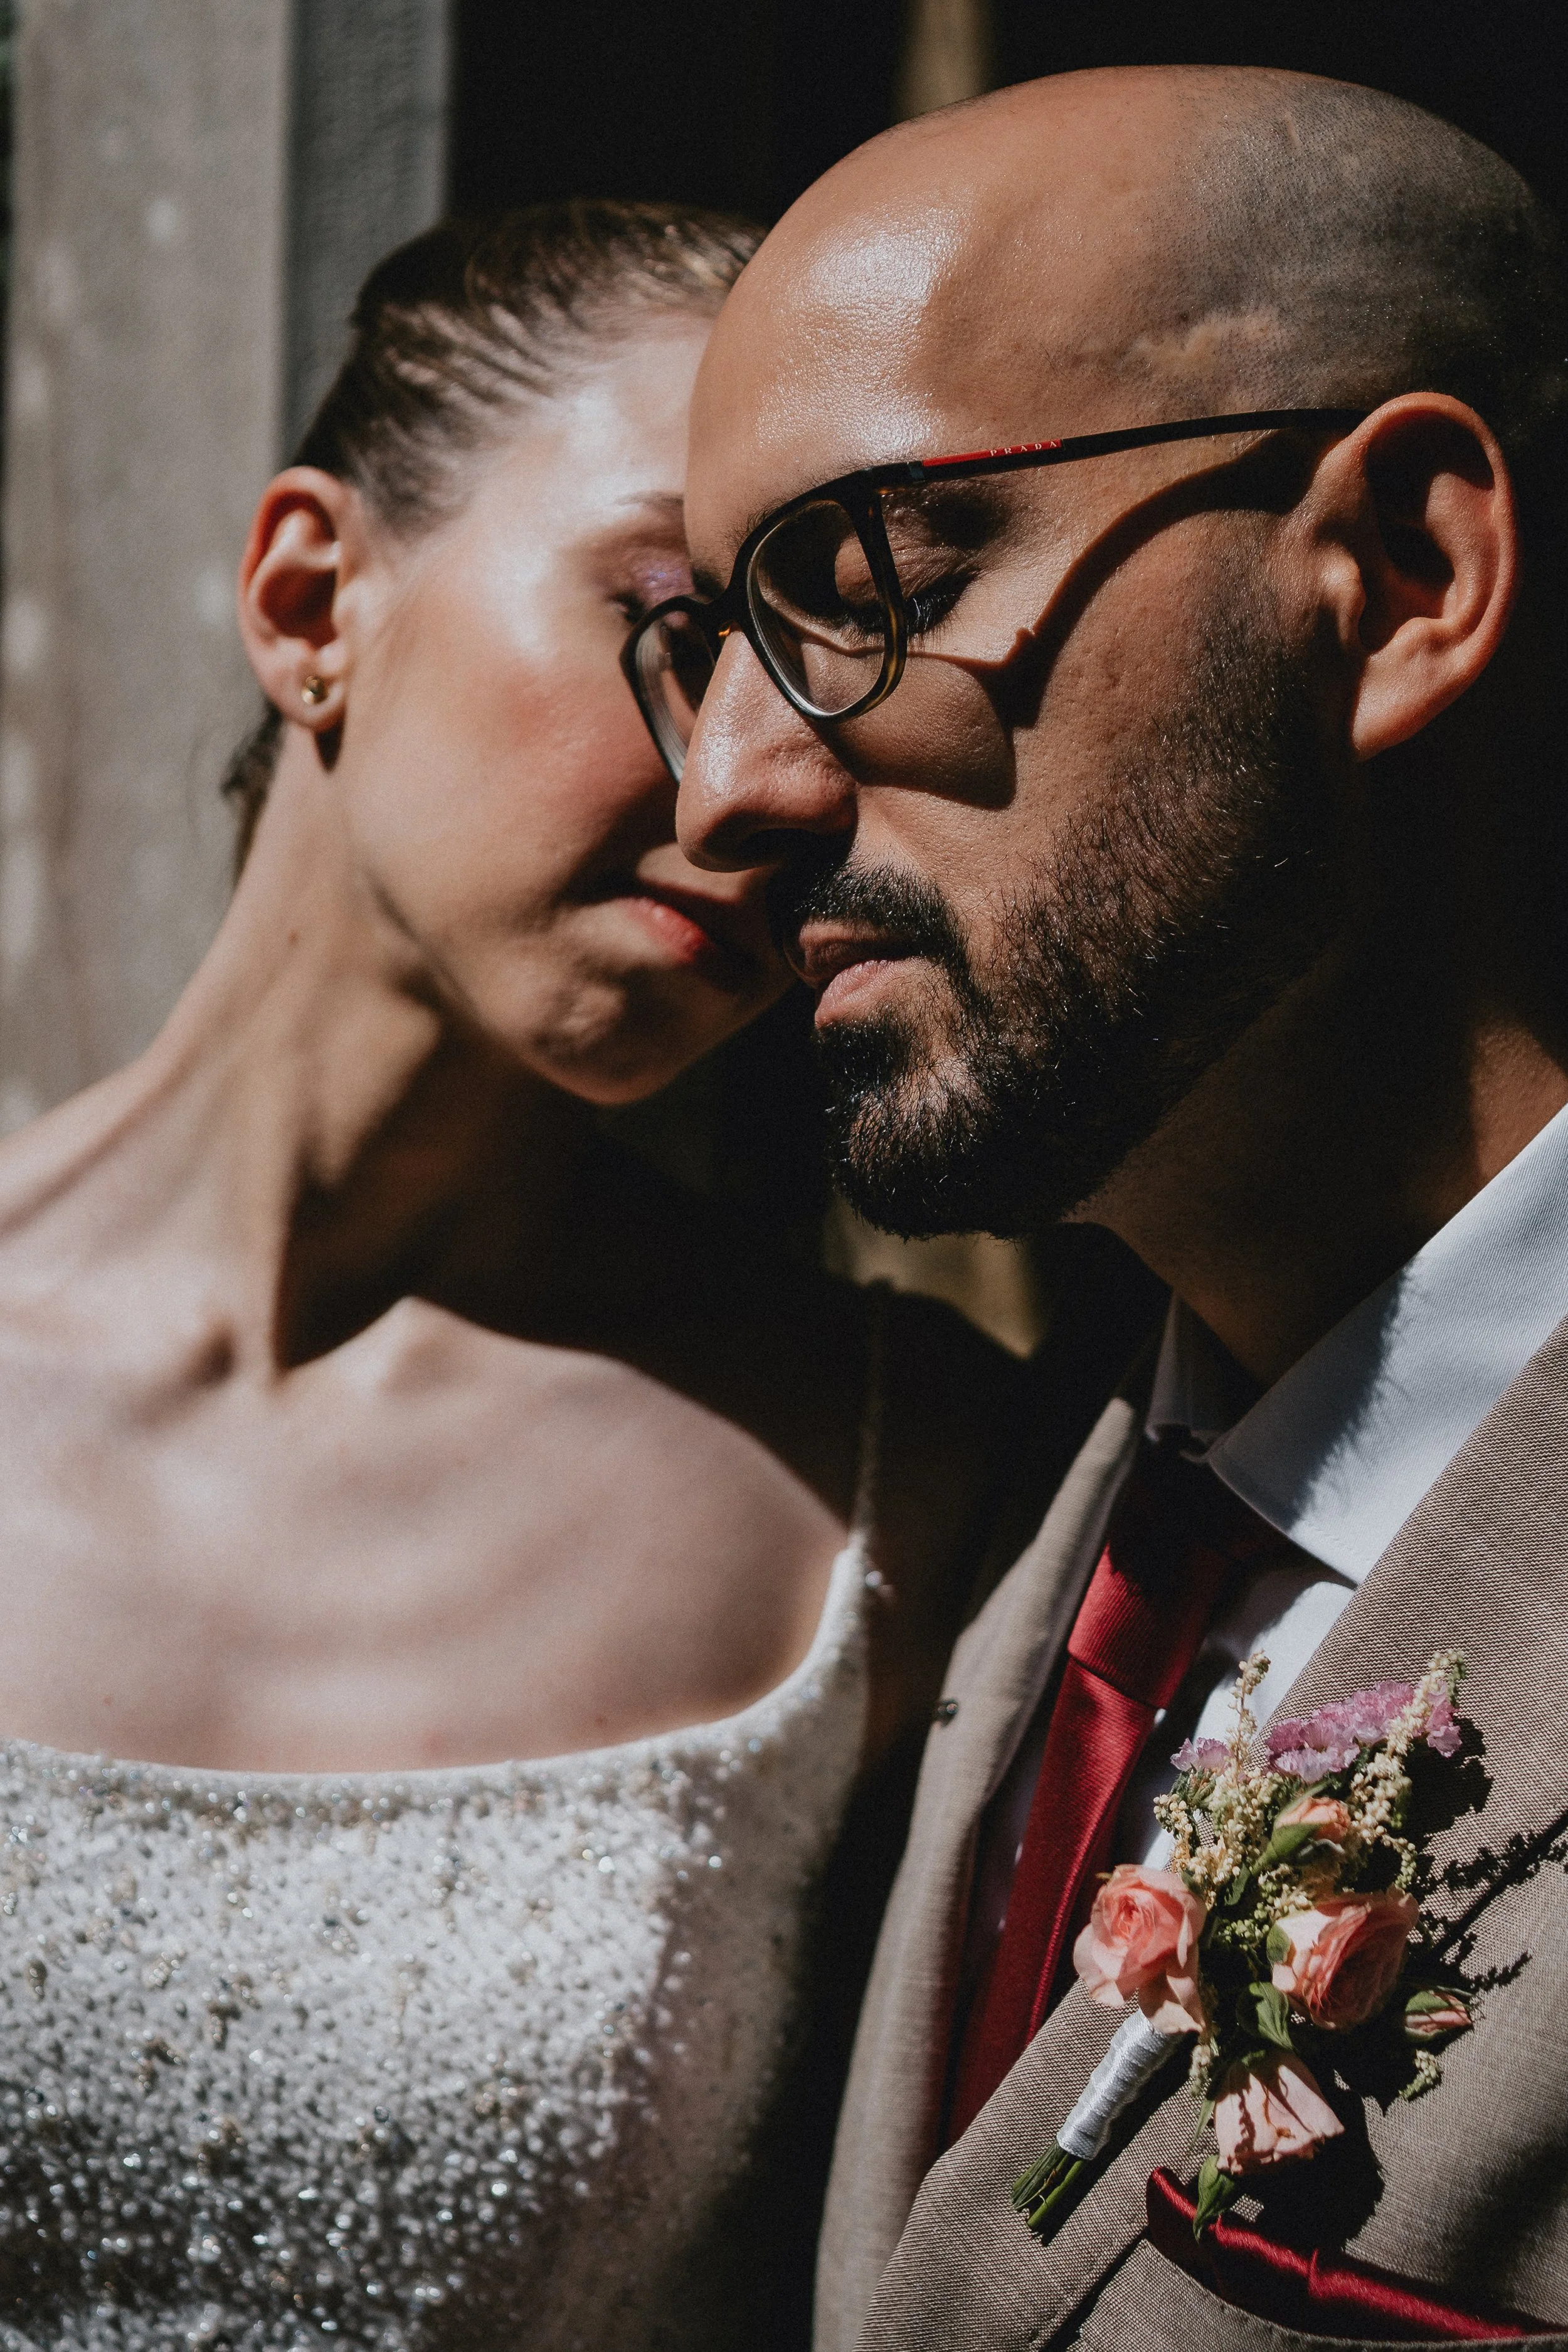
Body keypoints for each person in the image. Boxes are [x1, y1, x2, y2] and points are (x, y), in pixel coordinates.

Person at [0, 203, 1026, 2350]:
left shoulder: (898, 1484)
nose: (765, 785)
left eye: (839, 674)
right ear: (308, 599)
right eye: (670, 616)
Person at [633, 65, 1568, 2349]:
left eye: (869, 573)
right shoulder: (988, 1539)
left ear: (1399, 579)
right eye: (702, 648)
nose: (723, 790)